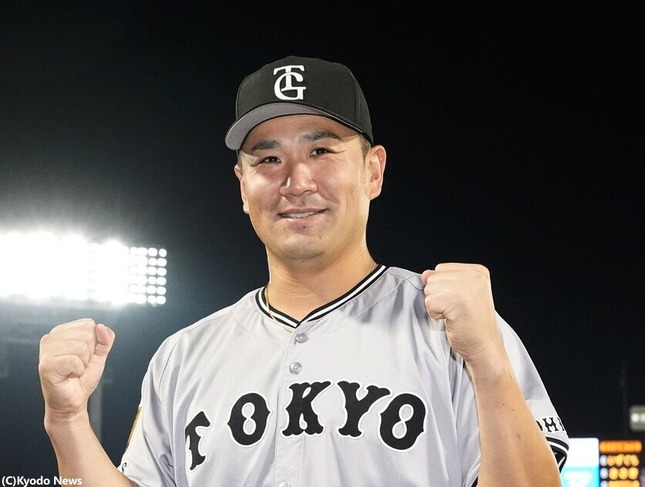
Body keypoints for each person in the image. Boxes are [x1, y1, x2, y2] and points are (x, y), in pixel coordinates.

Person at [38, 55, 569, 486]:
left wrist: (488, 362)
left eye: (321, 150)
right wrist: (66, 422)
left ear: (373, 171)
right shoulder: (183, 357)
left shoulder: (455, 331)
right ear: (242, 186)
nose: (296, 182)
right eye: (268, 159)